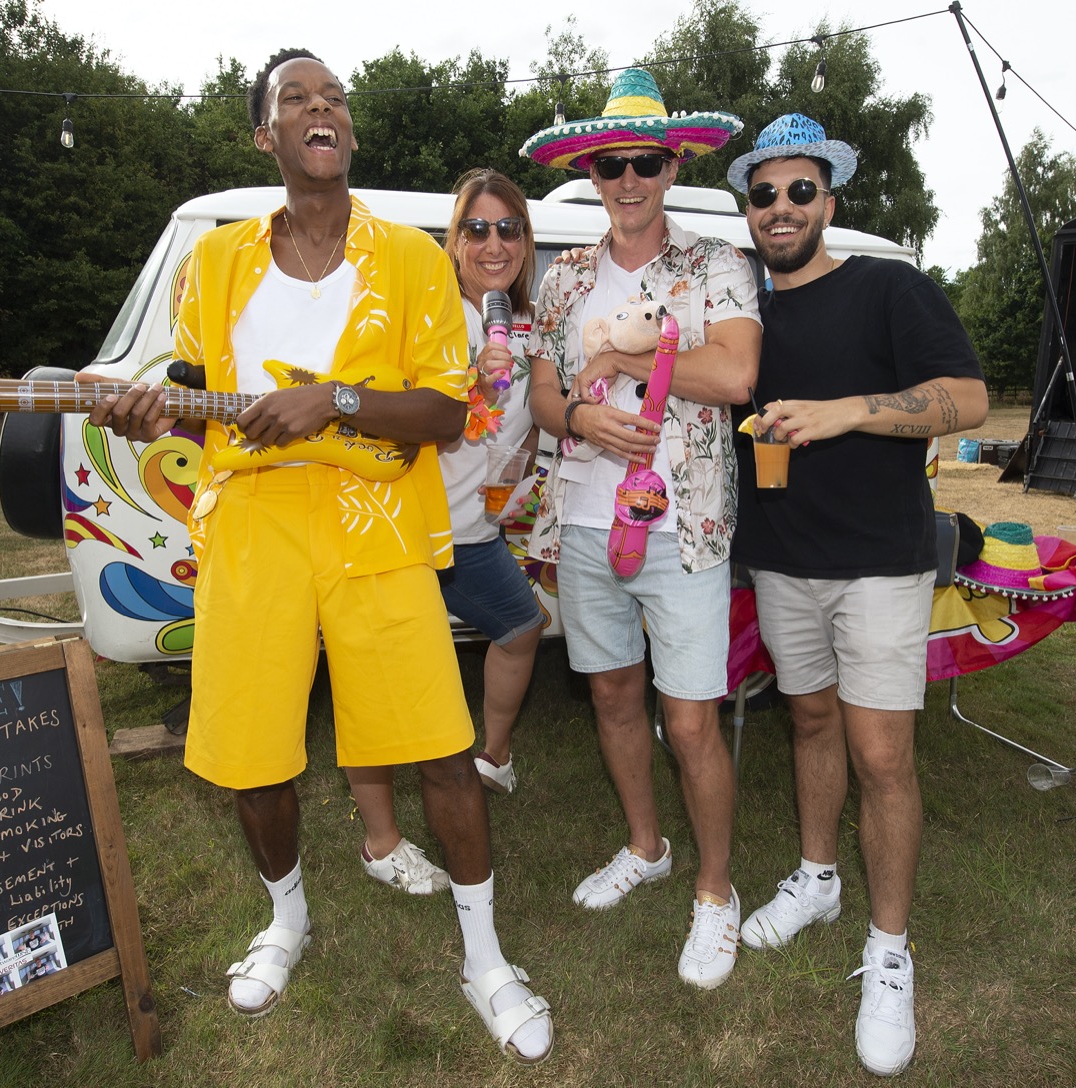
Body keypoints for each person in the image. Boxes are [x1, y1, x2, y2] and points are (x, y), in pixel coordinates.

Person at [83, 49, 552, 1063]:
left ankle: (485, 957)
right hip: (253, 522)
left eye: (332, 95)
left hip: (375, 521)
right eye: (295, 98)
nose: (320, 106)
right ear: (267, 135)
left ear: (347, 130)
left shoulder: (415, 259)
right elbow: (199, 394)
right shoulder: (215, 264)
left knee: (440, 741)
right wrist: (141, 411)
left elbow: (437, 410)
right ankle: (286, 917)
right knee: (255, 747)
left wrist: (331, 398)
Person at [726, 114, 988, 1077]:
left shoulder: (887, 285)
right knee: (808, 721)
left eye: (801, 191)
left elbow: (968, 400)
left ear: (828, 201)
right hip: (786, 558)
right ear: (747, 209)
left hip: (881, 559)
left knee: (882, 754)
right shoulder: (745, 309)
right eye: (764, 194)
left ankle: (889, 951)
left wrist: (850, 414)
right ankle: (817, 878)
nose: (782, 209)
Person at [519, 69, 760, 989]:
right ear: (590, 170)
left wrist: (623, 354)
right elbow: (542, 389)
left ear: (672, 166)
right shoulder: (567, 274)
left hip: (684, 529)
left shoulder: (714, 264)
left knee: (689, 719)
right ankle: (647, 847)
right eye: (612, 163)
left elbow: (738, 374)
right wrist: (579, 418)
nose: (628, 179)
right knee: (614, 700)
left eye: (645, 162)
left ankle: (715, 892)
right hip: (583, 523)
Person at [343, 168, 545, 895]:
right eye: (477, 229)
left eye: (509, 228)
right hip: (406, 528)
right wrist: (468, 378)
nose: (494, 244)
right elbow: (399, 407)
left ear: (526, 240)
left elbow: (521, 424)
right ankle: (381, 840)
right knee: (378, 683)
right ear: (453, 241)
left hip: (474, 530)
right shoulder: (428, 315)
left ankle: (492, 752)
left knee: (521, 628)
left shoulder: (521, 326)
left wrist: (518, 466)